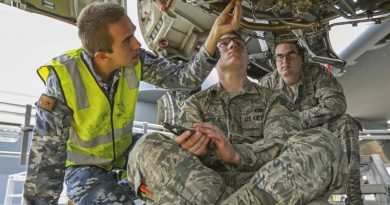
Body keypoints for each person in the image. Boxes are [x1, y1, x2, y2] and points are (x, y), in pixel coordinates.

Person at [23, 1, 242, 204]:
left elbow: (184, 78)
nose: (138, 44)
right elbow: (45, 164)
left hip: (126, 150)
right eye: (127, 41)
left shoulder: (136, 58)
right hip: (84, 166)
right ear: (102, 56)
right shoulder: (63, 80)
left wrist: (214, 35)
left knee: (178, 158)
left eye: (134, 35)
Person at [127, 31, 348, 204]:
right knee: (146, 146)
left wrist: (236, 154)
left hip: (266, 185)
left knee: (322, 142)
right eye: (224, 44)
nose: (233, 45)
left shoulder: (274, 99)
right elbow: (185, 166)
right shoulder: (195, 104)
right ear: (214, 59)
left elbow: (281, 144)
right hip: (206, 189)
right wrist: (196, 152)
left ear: (248, 60)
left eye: (239, 44)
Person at [258, 41, 363, 205]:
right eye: (280, 57)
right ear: (275, 61)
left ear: (300, 58)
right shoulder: (267, 85)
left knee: (346, 123)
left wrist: (299, 119)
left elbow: (336, 103)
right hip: (284, 138)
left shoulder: (316, 73)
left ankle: (354, 195)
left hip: (317, 130)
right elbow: (260, 122)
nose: (285, 61)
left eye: (290, 55)